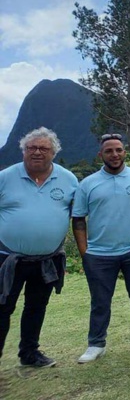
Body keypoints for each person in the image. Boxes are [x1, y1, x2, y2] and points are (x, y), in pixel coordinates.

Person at [72, 134, 130, 363]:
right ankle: (96, 343)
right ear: (100, 155)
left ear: (124, 152)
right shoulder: (88, 184)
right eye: (109, 151)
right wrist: (85, 252)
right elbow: (79, 219)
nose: (115, 155)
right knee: (100, 301)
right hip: (100, 254)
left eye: (119, 150)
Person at [0, 128, 78, 368]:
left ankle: (29, 353)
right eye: (31, 148)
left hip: (47, 259)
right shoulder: (5, 177)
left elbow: (78, 215)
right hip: (6, 258)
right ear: (23, 151)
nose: (36, 152)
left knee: (36, 306)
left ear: (53, 152)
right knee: (2, 307)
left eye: (43, 148)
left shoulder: (68, 179)